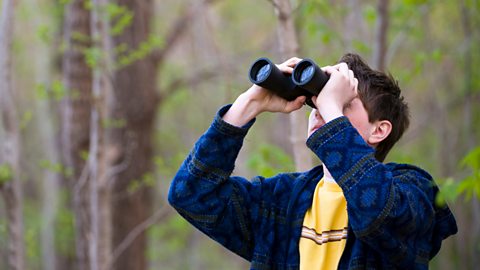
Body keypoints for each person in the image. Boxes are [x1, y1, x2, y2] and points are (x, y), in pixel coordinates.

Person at [168, 53, 457, 269]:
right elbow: (190, 195)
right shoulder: (283, 199)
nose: (319, 109)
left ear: (379, 130)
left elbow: (377, 213)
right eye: (317, 101)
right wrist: (249, 104)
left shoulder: (414, 191)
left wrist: (331, 107)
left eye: (343, 104)